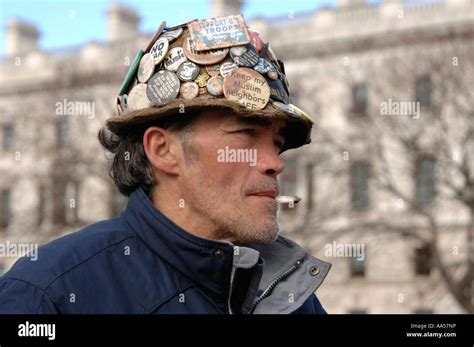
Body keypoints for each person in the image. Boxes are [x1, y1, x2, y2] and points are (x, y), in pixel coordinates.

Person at [0, 14, 331, 314]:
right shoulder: (44, 296)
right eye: (245, 134)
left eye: (277, 143)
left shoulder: (293, 296)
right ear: (163, 150)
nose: (276, 163)